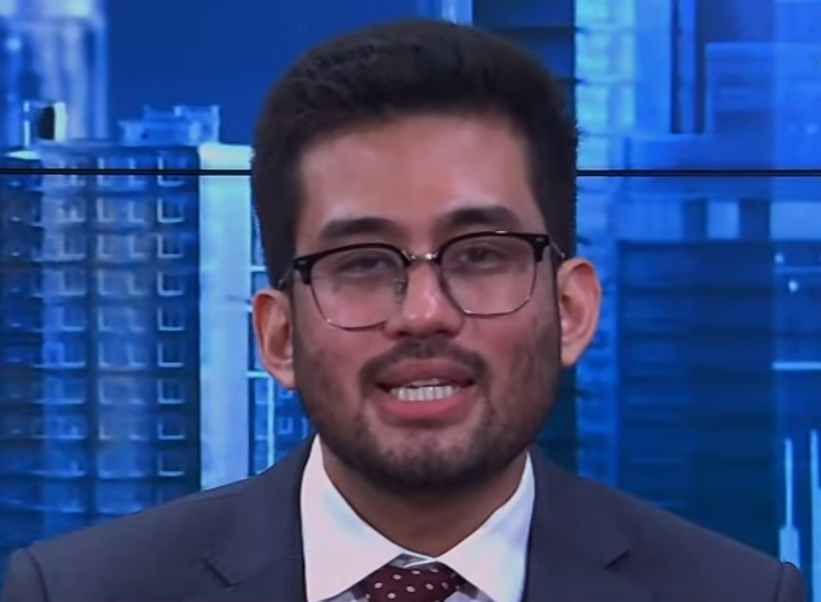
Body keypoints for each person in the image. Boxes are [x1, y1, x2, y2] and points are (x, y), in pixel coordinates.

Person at [0, 17, 805, 602]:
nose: (423, 313)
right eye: (361, 263)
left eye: (479, 255)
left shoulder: (737, 594)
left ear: (570, 309)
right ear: (277, 336)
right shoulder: (76, 592)